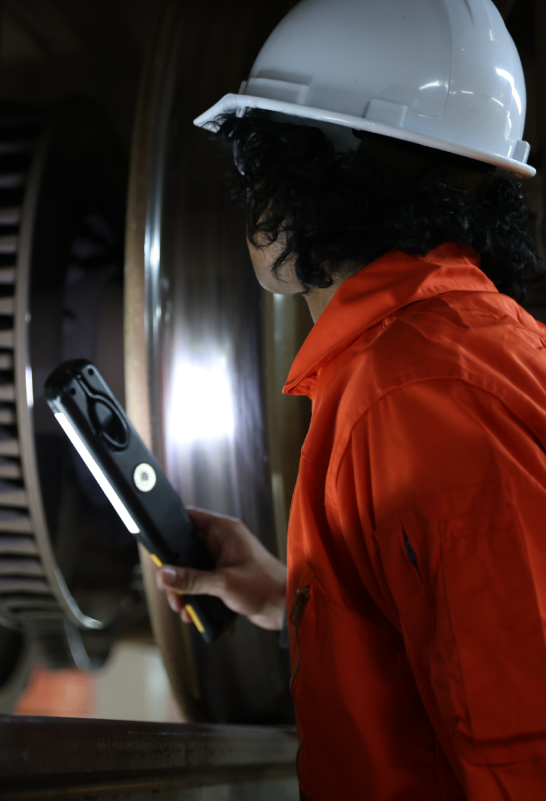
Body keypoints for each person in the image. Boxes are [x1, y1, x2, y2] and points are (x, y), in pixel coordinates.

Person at [155, 0, 546, 798]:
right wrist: (294, 593)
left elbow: (522, 754)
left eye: (257, 158)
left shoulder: (417, 398)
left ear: (316, 171)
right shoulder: (451, 352)